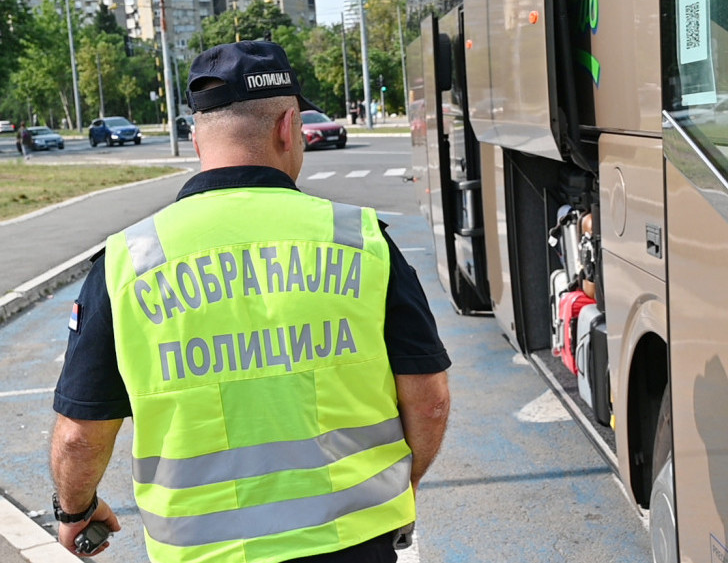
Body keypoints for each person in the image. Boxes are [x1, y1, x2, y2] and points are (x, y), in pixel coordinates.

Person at [50, 40, 451, 563]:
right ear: (289, 127)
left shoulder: (129, 260)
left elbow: (80, 436)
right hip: (353, 543)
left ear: (197, 139)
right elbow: (430, 399)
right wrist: (400, 486)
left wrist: (74, 512)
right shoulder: (359, 239)